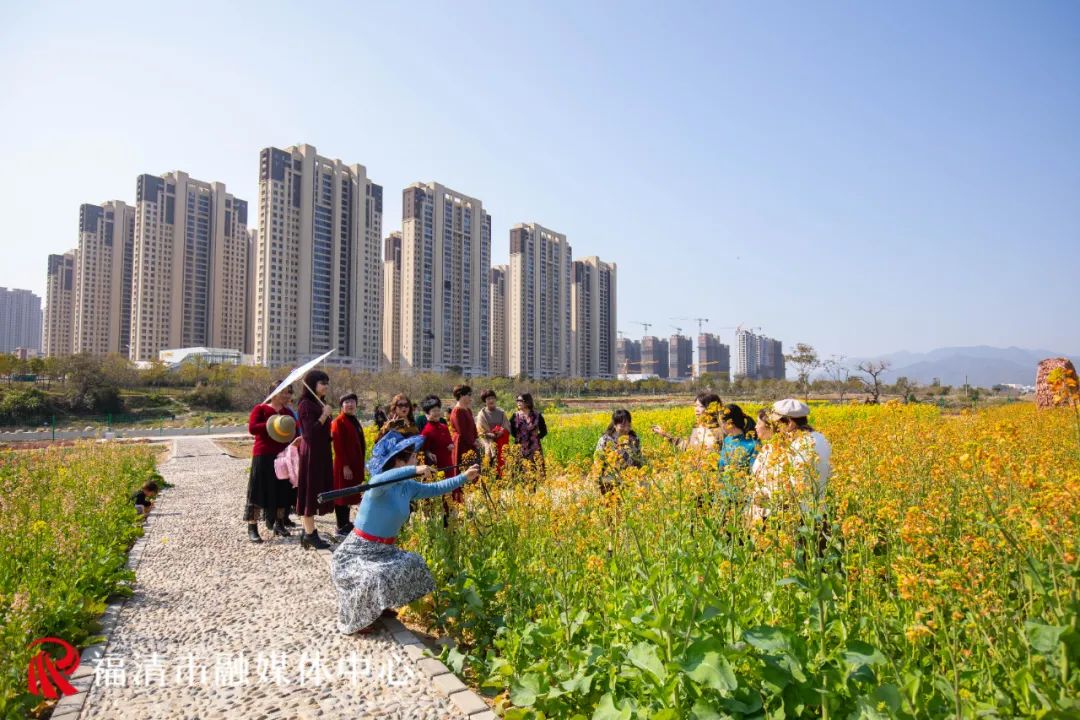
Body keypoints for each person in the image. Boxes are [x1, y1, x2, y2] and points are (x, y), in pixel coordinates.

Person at [329, 431, 481, 635]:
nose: (417, 460)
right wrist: (415, 470)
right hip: (358, 551)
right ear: (399, 461)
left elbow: (437, 488)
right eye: (412, 458)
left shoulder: (407, 486)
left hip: (384, 550)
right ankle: (359, 619)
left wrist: (464, 477)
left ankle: (380, 605)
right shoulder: (378, 484)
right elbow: (385, 477)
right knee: (374, 576)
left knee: (413, 562)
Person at [245, 384, 295, 543]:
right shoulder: (260, 409)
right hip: (263, 454)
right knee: (258, 489)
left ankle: (279, 523)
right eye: (284, 392)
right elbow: (252, 428)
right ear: (273, 394)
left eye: (289, 393)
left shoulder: (287, 412)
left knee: (282, 489)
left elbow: (294, 430)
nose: (287, 396)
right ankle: (252, 527)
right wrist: (272, 424)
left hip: (282, 455)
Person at [296, 370, 335, 550]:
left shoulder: (319, 403)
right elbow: (309, 433)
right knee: (311, 491)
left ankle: (307, 531)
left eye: (327, 383)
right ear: (312, 385)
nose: (325, 386)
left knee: (319, 488)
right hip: (311, 454)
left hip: (321, 453)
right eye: (322, 383)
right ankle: (311, 534)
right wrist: (324, 415)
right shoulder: (305, 405)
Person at [331, 392, 366, 540]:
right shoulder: (339, 421)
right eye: (346, 402)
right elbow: (338, 445)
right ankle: (340, 526)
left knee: (349, 494)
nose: (350, 404)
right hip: (344, 465)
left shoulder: (353, 420)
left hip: (355, 463)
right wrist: (345, 466)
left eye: (352, 401)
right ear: (341, 405)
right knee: (342, 495)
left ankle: (346, 522)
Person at [651, 393, 724, 454]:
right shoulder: (697, 428)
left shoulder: (720, 432)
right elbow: (688, 447)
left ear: (712, 409)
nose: (696, 410)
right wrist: (665, 435)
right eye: (695, 406)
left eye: (701, 406)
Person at [593, 409, 643, 494]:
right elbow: (597, 460)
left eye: (628, 425)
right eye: (623, 426)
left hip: (629, 480)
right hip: (609, 480)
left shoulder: (634, 439)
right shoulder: (605, 440)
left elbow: (639, 459)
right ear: (615, 425)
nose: (626, 429)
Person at [509, 393, 547, 482]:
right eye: (517, 400)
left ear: (528, 402)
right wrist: (521, 438)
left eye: (520, 401)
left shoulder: (537, 415)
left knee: (534, 472)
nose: (518, 403)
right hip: (519, 447)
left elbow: (544, 431)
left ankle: (533, 493)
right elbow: (512, 432)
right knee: (519, 472)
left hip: (534, 448)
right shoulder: (515, 416)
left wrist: (535, 438)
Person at [475, 389, 510, 478]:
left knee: (501, 464)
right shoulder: (482, 414)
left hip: (500, 441)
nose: (491, 400)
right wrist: (489, 434)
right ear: (485, 401)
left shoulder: (501, 412)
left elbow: (506, 425)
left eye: (492, 398)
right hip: (487, 442)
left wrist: (501, 431)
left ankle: (501, 479)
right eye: (488, 399)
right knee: (489, 465)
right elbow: (480, 430)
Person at [418, 395, 454, 471]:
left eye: (438, 410)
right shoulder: (426, 431)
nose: (437, 413)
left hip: (448, 462)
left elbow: (450, 441)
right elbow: (424, 449)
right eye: (434, 411)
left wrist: (451, 445)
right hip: (437, 466)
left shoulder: (444, 426)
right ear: (427, 413)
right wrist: (428, 453)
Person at [449, 385, 479, 471]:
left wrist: (476, 438)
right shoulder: (457, 411)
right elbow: (462, 431)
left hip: (471, 443)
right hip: (462, 445)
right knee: (464, 470)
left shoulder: (467, 410)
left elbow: (473, 427)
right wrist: (473, 442)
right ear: (461, 395)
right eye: (469, 394)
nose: (470, 397)